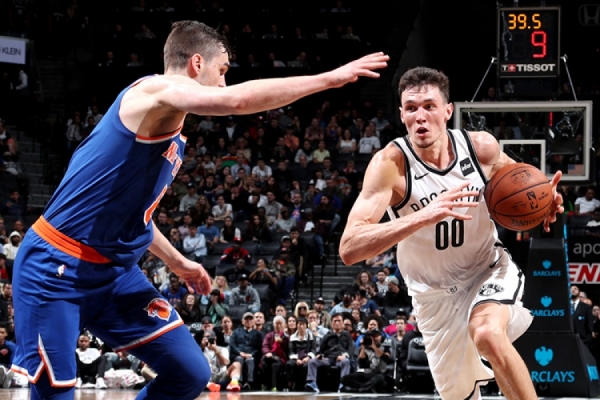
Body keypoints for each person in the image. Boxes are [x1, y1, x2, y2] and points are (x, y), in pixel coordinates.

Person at [11, 20, 386, 399]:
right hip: (57, 267)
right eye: (221, 71)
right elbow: (238, 101)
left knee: (190, 373)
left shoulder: (170, 126)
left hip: (113, 274)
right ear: (195, 63)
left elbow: (136, 216)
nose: (223, 82)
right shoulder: (155, 91)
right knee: (56, 393)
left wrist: (178, 262)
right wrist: (329, 78)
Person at [339, 66, 563, 400]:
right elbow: (350, 248)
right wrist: (421, 217)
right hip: (433, 297)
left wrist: (545, 200)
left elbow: (521, 190)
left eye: (429, 106)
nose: (420, 116)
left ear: (448, 111)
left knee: (487, 333)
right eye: (411, 108)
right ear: (402, 114)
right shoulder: (390, 165)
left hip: (486, 270)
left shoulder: (482, 149)